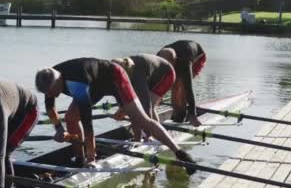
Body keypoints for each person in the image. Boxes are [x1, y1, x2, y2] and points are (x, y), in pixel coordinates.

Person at [35, 57, 196, 174]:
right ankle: (79, 158)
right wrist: (58, 128)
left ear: (59, 81)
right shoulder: (48, 79)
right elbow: (50, 108)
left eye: (50, 91)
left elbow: (87, 124)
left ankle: (180, 153)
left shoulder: (78, 84)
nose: (49, 94)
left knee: (141, 119)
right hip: (95, 84)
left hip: (115, 77)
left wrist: (92, 159)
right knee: (70, 117)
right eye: (46, 92)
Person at [111, 54, 175, 127]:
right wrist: (122, 110)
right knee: (136, 108)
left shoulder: (137, 75)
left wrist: (126, 111)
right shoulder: (125, 71)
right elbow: (124, 98)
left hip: (167, 74)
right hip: (151, 76)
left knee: (149, 105)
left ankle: (154, 133)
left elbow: (146, 106)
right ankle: (139, 137)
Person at [157, 40, 206, 126]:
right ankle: (176, 113)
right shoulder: (158, 57)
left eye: (169, 65)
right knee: (174, 86)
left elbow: (189, 89)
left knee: (182, 88)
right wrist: (159, 96)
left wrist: (193, 114)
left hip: (197, 58)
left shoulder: (185, 62)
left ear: (174, 60)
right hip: (180, 55)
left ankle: (182, 116)